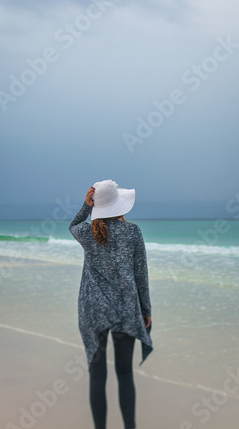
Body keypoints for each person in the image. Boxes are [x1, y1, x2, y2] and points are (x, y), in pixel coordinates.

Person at [68, 179, 153, 429]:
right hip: (125, 312)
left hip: (93, 313)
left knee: (97, 375)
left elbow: (73, 225)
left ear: (96, 206)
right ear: (120, 206)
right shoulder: (133, 232)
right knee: (125, 374)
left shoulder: (86, 232)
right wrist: (146, 311)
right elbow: (141, 275)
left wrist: (86, 206)